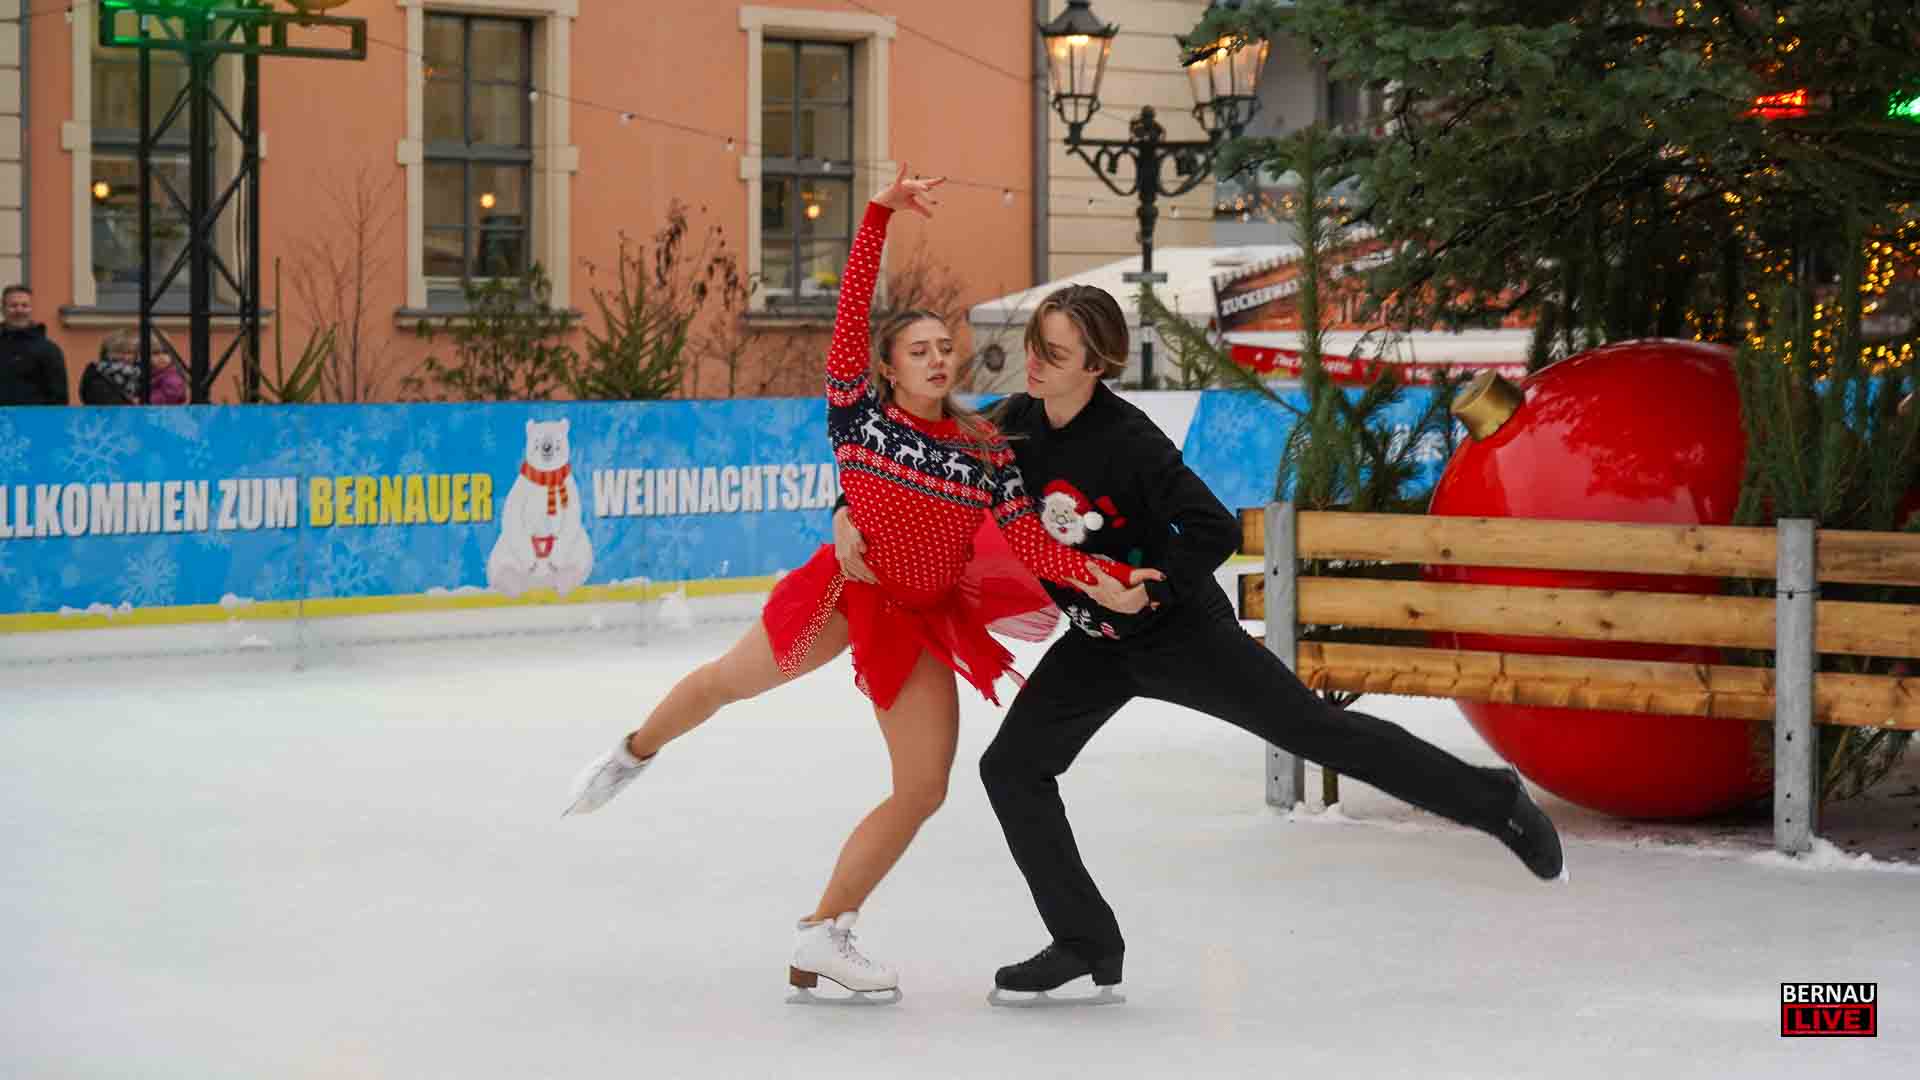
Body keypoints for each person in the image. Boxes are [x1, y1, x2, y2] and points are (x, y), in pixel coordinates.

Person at [832, 283, 1566, 1007]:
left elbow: (1213, 528)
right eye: (1033, 347)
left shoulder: (1131, 442)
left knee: (1316, 730)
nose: (1035, 363)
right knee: (1013, 770)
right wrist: (843, 510)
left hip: (1180, 634)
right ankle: (1086, 941)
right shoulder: (1014, 422)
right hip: (1095, 644)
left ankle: (1491, 800)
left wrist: (1149, 589)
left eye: (1052, 353)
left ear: (1096, 364)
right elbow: (932, 466)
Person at [561, 168, 1161, 1004]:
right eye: (918, 350)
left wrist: (1112, 581)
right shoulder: (858, 413)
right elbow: (849, 307)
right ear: (882, 367)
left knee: (924, 787)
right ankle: (636, 750)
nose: (938, 358)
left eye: (945, 348)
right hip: (844, 597)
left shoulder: (987, 449)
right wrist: (878, 212)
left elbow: (1036, 544)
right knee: (730, 682)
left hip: (921, 619)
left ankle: (824, 932)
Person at [0, 285, 70, 405]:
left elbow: (59, 397)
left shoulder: (48, 350)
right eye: (13, 305)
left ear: (31, 309)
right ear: (3, 309)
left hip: (33, 421)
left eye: (24, 305)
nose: (19, 310)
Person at [80, 330, 188, 405]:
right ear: (106, 353)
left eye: (130, 352)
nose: (125, 357)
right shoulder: (100, 375)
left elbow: (170, 394)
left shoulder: (140, 373)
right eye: (118, 352)